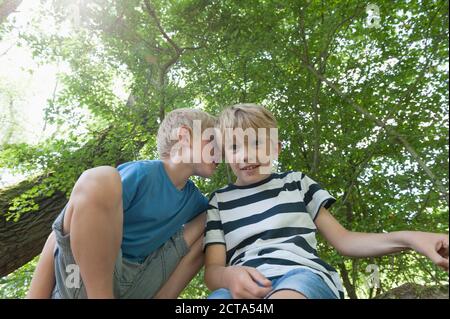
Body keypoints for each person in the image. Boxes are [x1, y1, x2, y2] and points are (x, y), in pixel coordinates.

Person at [204, 103, 449, 299]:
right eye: (234, 147)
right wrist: (230, 277)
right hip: (238, 290)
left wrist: (411, 239)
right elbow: (213, 272)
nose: (245, 154)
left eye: (256, 143)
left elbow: (345, 241)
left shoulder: (296, 183)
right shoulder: (218, 201)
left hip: (301, 278)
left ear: (275, 148)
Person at [27, 108, 219, 299]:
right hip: (80, 277)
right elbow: (62, 232)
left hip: (134, 283)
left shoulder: (194, 200)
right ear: (184, 136)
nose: (221, 154)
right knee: (99, 179)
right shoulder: (142, 175)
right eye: (213, 141)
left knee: (214, 218)